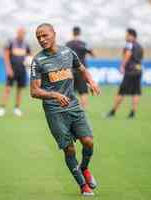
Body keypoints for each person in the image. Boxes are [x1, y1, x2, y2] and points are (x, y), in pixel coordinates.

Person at [30, 23, 101, 196]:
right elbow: (34, 91)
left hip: (73, 106)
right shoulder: (38, 60)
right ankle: (82, 185)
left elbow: (82, 69)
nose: (42, 39)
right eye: (38, 37)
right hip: (54, 111)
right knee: (69, 149)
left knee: (89, 141)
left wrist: (90, 81)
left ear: (54, 34)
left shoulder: (68, 52)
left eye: (45, 35)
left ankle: (84, 168)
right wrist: (54, 95)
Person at [107, 28, 143, 119]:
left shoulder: (129, 44)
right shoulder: (139, 46)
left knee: (121, 92)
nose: (125, 37)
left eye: (127, 35)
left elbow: (128, 54)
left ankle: (113, 111)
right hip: (138, 70)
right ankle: (133, 113)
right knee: (136, 92)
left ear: (131, 35)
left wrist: (122, 66)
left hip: (130, 71)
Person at [0, 27, 31, 117]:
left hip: (22, 70)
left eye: (23, 33)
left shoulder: (26, 44)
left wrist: (29, 62)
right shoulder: (11, 42)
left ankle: (17, 108)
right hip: (12, 70)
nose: (21, 34)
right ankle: (2, 108)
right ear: (17, 33)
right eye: (20, 32)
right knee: (8, 89)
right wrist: (8, 68)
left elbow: (29, 56)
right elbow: (6, 56)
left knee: (20, 90)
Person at [66, 26, 95, 109]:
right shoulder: (84, 44)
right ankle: (84, 109)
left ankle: (69, 108)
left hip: (71, 70)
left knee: (69, 91)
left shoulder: (68, 44)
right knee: (83, 91)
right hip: (82, 70)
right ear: (80, 33)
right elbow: (93, 54)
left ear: (73, 33)